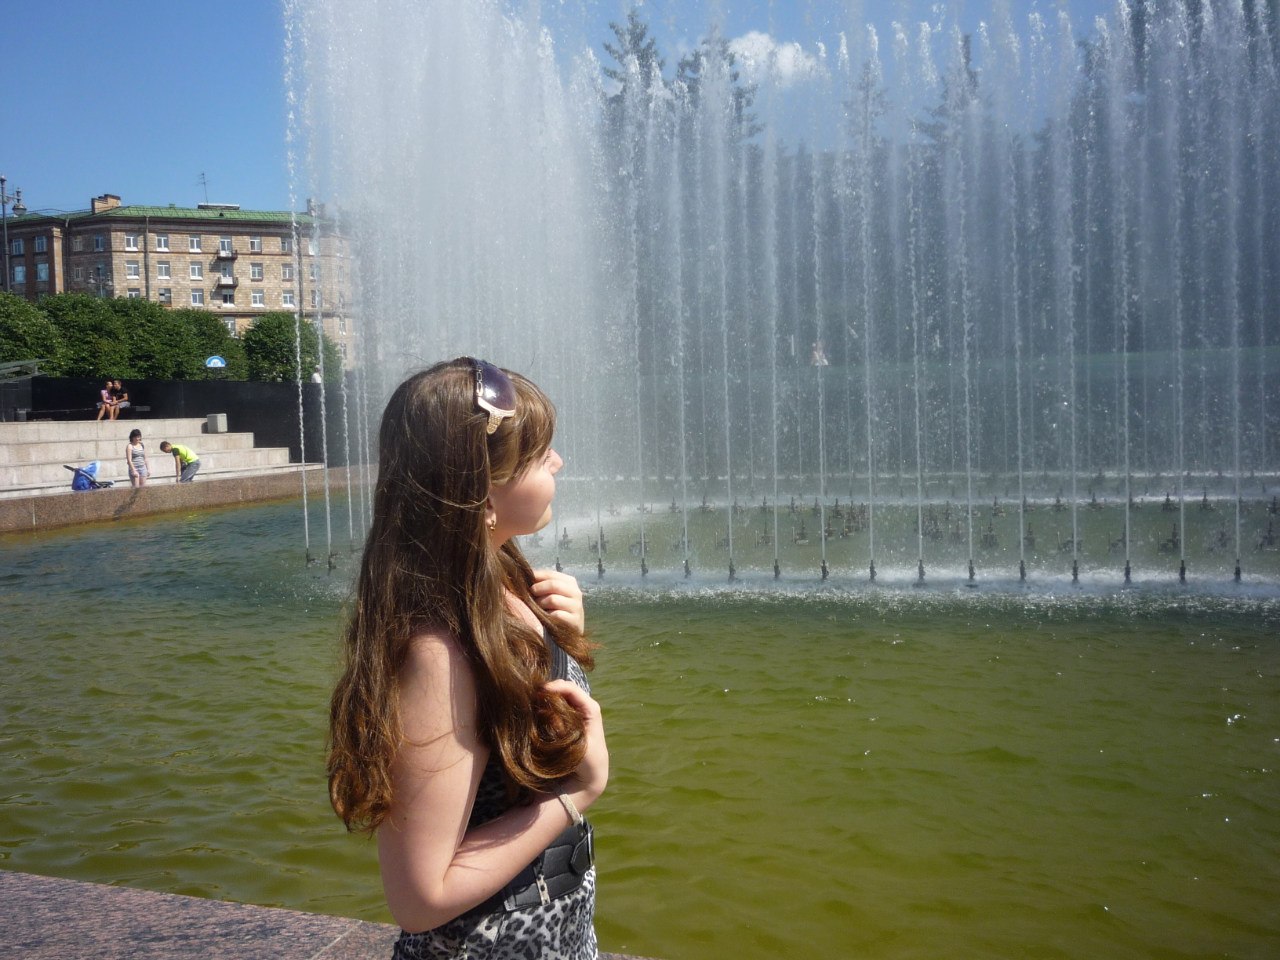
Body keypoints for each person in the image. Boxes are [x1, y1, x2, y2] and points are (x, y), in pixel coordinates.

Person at [328, 358, 607, 960]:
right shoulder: (440, 653)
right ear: (480, 493)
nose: (558, 462)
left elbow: (518, 751)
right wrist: (577, 793)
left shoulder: (503, 583)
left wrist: (560, 641)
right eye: (540, 454)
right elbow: (420, 897)